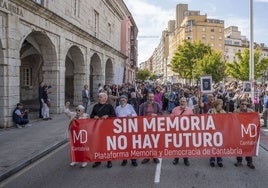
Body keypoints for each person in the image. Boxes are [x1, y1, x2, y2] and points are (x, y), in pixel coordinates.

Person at [90, 92, 116, 168]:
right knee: (98, 145)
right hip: (98, 129)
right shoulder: (95, 106)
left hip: (107, 129)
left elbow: (114, 115)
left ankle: (109, 161)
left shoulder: (109, 106)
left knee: (107, 146)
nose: (99, 98)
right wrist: (94, 116)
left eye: (101, 97)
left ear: (105, 98)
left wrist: (108, 116)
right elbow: (91, 116)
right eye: (99, 97)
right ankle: (98, 161)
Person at [139, 91, 162, 164]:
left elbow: (161, 114)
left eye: (152, 97)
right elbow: (139, 116)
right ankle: (147, 156)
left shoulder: (157, 105)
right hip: (146, 126)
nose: (151, 98)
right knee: (147, 142)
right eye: (149, 97)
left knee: (154, 141)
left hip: (154, 125)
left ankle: (155, 156)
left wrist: (156, 115)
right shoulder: (142, 105)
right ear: (147, 97)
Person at [115, 95, 138, 167]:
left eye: (124, 99)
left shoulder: (130, 106)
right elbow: (115, 118)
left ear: (126, 100)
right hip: (121, 129)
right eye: (121, 99)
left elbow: (135, 114)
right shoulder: (117, 108)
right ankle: (124, 159)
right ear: (120, 100)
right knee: (123, 145)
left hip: (130, 128)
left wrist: (131, 115)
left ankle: (133, 160)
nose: (123, 100)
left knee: (131, 144)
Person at [65, 101, 89, 168]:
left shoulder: (85, 116)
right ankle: (75, 160)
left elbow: (86, 124)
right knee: (74, 147)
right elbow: (67, 113)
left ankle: (84, 161)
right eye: (76, 110)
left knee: (82, 147)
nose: (77, 111)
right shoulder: (74, 115)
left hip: (82, 134)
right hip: (74, 134)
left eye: (79, 110)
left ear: (82, 111)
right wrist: (67, 106)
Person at [234, 99, 255, 169]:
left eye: (245, 104)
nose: (244, 105)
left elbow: (255, 119)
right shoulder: (236, 111)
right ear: (240, 105)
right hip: (239, 131)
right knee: (239, 146)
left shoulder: (251, 111)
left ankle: (249, 162)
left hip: (247, 132)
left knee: (248, 146)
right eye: (242, 104)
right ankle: (239, 161)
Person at [171, 97, 192, 166]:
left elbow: (193, 120)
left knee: (185, 146)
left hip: (186, 131)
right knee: (177, 145)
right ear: (179, 102)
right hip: (177, 130)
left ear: (186, 102)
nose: (182, 102)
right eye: (181, 101)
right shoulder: (175, 109)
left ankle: (186, 159)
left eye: (184, 101)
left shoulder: (189, 110)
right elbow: (171, 119)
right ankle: (176, 158)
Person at [208, 99, 225, 167]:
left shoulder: (223, 112)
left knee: (219, 145)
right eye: (220, 104)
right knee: (213, 145)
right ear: (217, 104)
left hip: (220, 131)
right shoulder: (211, 111)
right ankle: (212, 159)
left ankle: (219, 160)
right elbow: (207, 119)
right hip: (212, 131)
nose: (221, 105)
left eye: (222, 104)